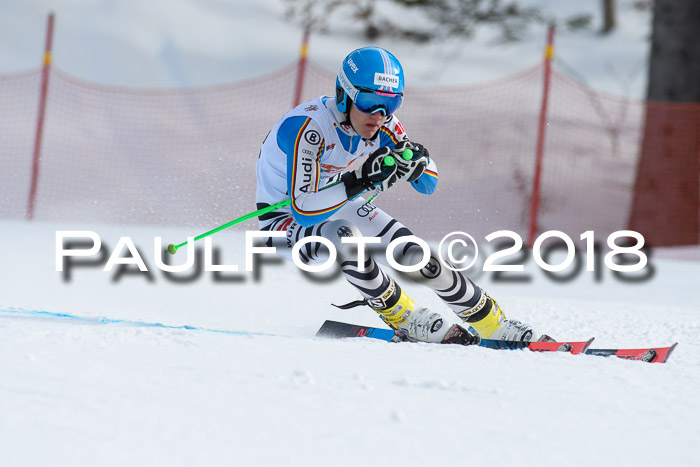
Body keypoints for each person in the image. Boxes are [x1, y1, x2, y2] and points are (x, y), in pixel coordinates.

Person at [256, 46, 537, 344]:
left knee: (416, 256)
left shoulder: (383, 124)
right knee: (344, 236)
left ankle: (493, 323)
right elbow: (304, 209)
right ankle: (404, 317)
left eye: (390, 103)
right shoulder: (308, 128)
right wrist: (362, 180)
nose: (379, 115)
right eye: (369, 101)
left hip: (338, 202)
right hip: (282, 224)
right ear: (344, 95)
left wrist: (418, 163)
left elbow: (428, 184)